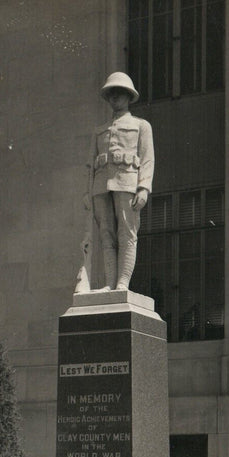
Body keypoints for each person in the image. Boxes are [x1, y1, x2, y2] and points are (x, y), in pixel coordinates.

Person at [83, 72, 154, 292]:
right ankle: (110, 283)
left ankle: (122, 282)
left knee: (127, 233)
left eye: (120, 93)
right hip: (101, 186)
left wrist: (144, 187)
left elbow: (148, 158)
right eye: (111, 93)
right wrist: (87, 193)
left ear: (128, 96)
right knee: (106, 234)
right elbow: (90, 166)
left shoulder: (141, 126)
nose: (115, 97)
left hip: (127, 183)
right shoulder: (99, 131)